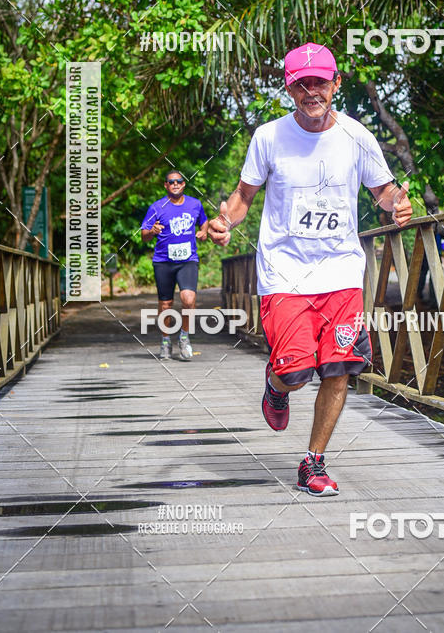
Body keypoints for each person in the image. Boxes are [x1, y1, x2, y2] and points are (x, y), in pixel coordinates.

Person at [208, 43, 412, 496]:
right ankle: (276, 384)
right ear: (289, 88)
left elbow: (383, 190)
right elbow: (243, 197)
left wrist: (397, 205)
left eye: (320, 82)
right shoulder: (269, 137)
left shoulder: (358, 136)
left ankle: (313, 462)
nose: (312, 91)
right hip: (284, 273)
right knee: (297, 369)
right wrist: (225, 221)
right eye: (302, 84)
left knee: (339, 367)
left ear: (336, 83)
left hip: (340, 272)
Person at [141, 171, 209, 360]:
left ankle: (184, 337)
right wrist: (152, 231)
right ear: (166, 185)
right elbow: (144, 236)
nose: (175, 184)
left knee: (188, 299)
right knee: (165, 304)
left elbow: (204, 223)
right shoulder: (156, 207)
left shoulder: (195, 204)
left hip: (188, 260)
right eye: (171, 182)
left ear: (184, 184)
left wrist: (204, 233)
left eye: (179, 181)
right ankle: (165, 340)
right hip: (163, 261)